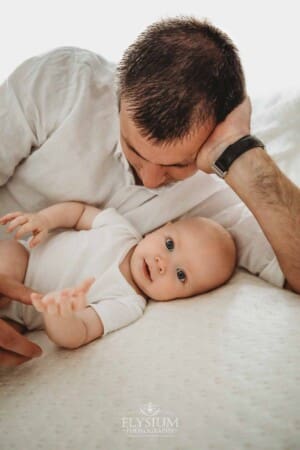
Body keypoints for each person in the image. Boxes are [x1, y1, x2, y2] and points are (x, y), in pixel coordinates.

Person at [0, 17, 299, 367]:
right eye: (135, 151)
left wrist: (241, 152)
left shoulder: (217, 191)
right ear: (119, 92)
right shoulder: (61, 85)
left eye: (179, 166)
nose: (153, 180)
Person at [0, 201, 236, 354]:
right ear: (162, 227)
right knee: (11, 257)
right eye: (169, 244)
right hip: (24, 259)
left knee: (10, 341)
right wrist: (45, 219)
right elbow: (78, 213)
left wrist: (58, 315)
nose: (162, 263)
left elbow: (80, 332)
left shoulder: (128, 304)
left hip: (21, 319)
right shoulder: (120, 229)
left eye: (181, 274)